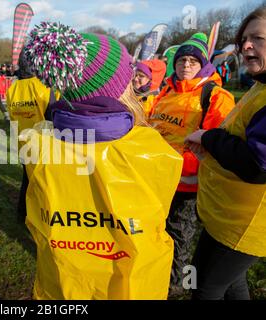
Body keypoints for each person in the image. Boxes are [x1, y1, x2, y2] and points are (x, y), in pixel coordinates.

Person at [22, 22, 183, 300]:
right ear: (116, 88)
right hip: (133, 285)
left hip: (63, 286)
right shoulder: (150, 148)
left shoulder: (36, 141)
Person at [185, 7, 266, 300]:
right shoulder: (260, 85)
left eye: (258, 38)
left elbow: (258, 166)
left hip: (244, 224)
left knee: (203, 285)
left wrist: (209, 137)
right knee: (231, 282)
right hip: (231, 214)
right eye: (244, 38)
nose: (245, 45)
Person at [148, 32, 236, 297]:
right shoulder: (166, 90)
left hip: (188, 183)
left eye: (193, 61)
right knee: (158, 228)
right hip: (156, 177)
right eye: (182, 60)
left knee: (180, 234)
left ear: (203, 65)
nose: (186, 65)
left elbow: (217, 142)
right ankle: (158, 272)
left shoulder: (215, 96)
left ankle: (177, 284)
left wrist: (181, 163)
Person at [6, 49, 60, 223]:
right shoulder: (44, 87)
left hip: (22, 143)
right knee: (43, 185)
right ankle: (41, 216)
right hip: (44, 146)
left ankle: (23, 213)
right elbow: (54, 117)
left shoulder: (12, 89)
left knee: (27, 179)